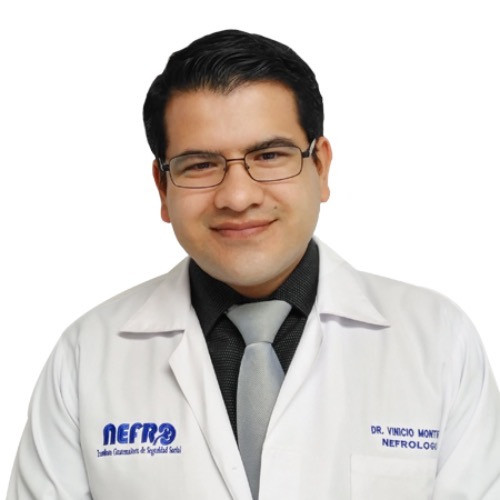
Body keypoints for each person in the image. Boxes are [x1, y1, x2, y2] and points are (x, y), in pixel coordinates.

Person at [7, 29, 500, 500]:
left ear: (320, 167)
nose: (238, 197)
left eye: (268, 155)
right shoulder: (88, 355)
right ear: (162, 187)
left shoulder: (437, 341)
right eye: (200, 164)